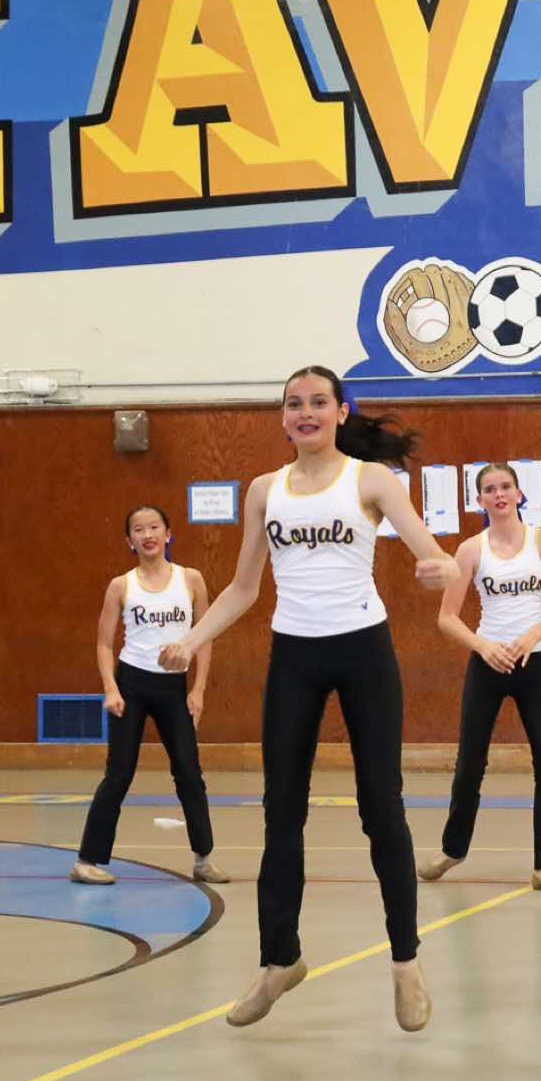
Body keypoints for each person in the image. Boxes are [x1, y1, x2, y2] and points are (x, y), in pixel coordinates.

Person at [160, 366, 458, 1032]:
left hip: (363, 653)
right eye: (294, 403)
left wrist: (438, 569)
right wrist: (191, 638)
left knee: (381, 808)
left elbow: (434, 555)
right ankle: (279, 959)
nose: (306, 411)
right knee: (281, 812)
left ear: (341, 411)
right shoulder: (265, 490)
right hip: (293, 655)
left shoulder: (371, 480)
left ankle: (406, 963)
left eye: (319, 401)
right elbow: (243, 588)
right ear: (283, 417)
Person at [419, 463, 541, 891]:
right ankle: (453, 849)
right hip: (488, 664)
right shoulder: (470, 550)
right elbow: (447, 617)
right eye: (490, 489)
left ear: (519, 494)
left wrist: (531, 636)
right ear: (480, 500)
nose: (499, 494)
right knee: (471, 760)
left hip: (535, 662)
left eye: (506, 486)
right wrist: (483, 646)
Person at [72, 504, 225, 886]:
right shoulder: (121, 586)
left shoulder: (191, 579)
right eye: (138, 530)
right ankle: (87, 860)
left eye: (154, 527)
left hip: (174, 688)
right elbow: (104, 643)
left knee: (189, 772)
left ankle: (203, 858)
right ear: (130, 541)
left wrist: (198, 689)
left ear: (168, 534)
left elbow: (205, 637)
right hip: (132, 685)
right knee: (119, 773)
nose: (147, 534)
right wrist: (110, 688)